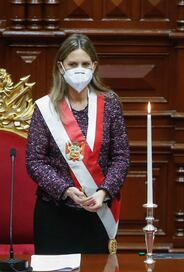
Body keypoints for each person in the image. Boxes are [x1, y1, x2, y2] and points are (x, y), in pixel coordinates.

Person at [26, 34, 130, 254]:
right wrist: (66, 190)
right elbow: (35, 161)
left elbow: (121, 157)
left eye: (85, 64)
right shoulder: (46, 108)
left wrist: (104, 192)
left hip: (98, 212)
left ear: (94, 66)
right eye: (73, 64)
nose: (79, 69)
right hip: (55, 214)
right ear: (61, 67)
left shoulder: (109, 104)